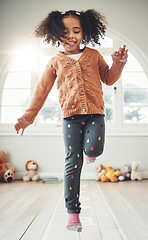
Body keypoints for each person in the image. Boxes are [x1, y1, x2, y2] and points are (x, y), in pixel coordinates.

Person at [14, 9, 128, 232]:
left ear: (84, 33)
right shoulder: (55, 62)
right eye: (65, 31)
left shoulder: (94, 55)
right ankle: (72, 213)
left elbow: (109, 78)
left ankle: (90, 153)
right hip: (70, 118)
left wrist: (118, 63)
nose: (71, 35)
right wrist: (28, 117)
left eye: (76, 30)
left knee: (95, 148)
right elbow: (41, 90)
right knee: (71, 164)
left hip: (95, 114)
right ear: (56, 34)